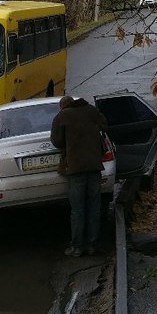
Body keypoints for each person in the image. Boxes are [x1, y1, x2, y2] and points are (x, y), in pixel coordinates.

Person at [50, 93, 108, 256]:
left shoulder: (62, 116)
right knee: (94, 207)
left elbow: (56, 141)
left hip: (75, 169)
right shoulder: (91, 110)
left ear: (63, 106)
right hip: (94, 167)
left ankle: (77, 247)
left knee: (78, 209)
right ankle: (93, 245)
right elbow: (104, 125)